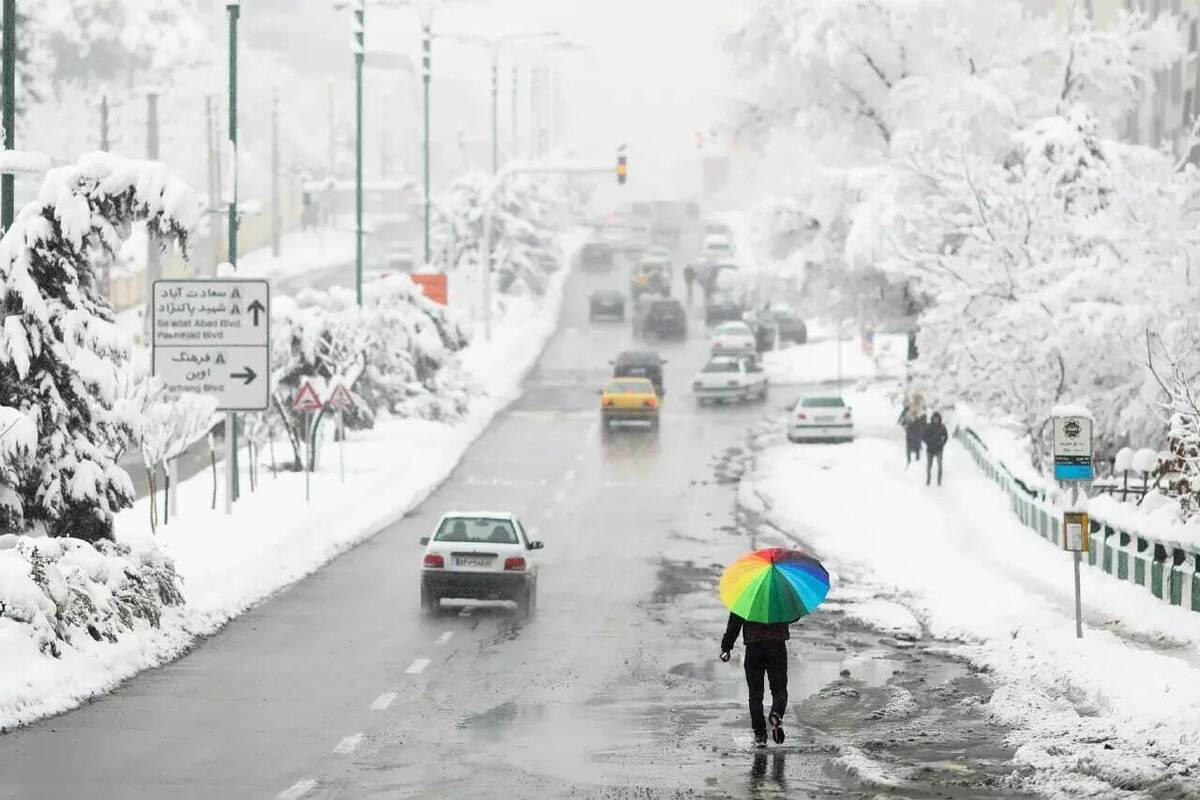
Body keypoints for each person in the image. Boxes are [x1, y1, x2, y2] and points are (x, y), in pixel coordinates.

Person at [720, 612, 789, 748]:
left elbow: (735, 622)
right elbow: (792, 615)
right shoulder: (781, 595)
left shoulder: (747, 596)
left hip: (754, 647)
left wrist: (726, 647)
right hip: (777, 645)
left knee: (755, 695)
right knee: (779, 688)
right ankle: (776, 713)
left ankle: (760, 735)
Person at [924, 410, 949, 486]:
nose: (936, 419)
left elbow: (946, 436)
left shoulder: (942, 427)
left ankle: (939, 481)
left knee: (940, 466)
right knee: (929, 466)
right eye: (934, 418)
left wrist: (942, 443)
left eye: (937, 418)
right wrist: (928, 442)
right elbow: (924, 436)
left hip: (939, 449)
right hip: (930, 449)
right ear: (932, 418)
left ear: (939, 418)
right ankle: (928, 480)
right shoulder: (928, 426)